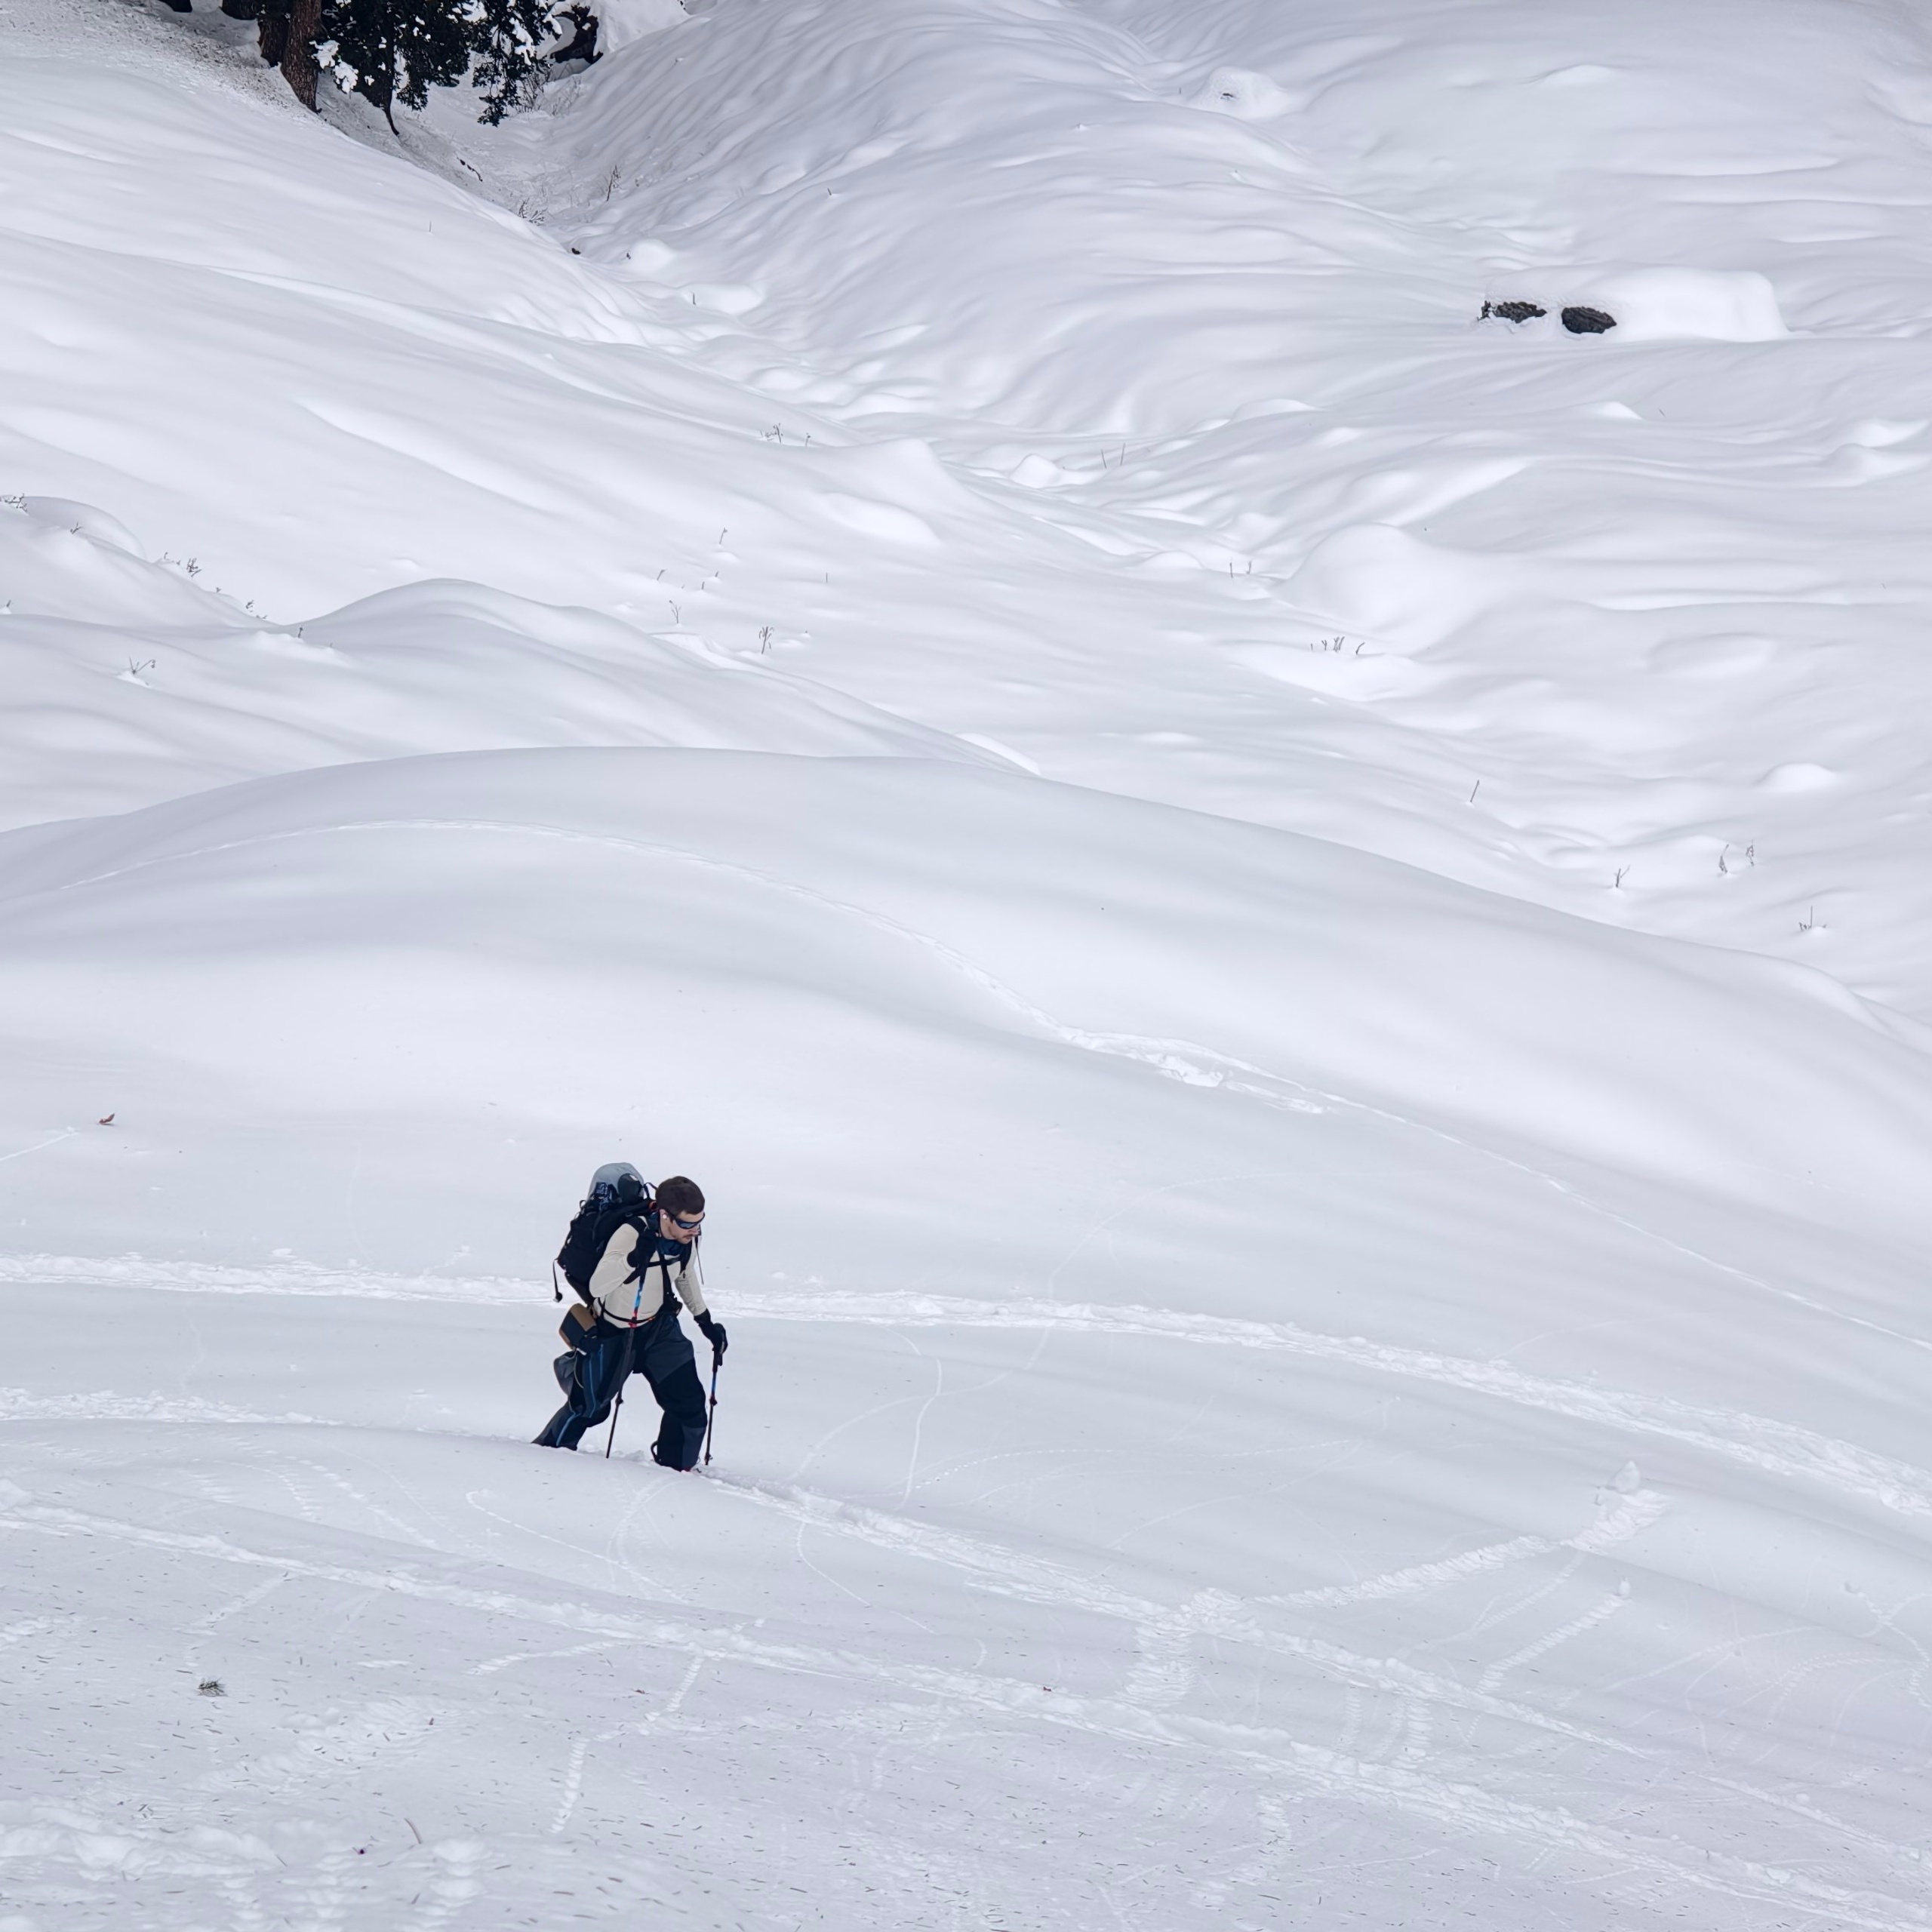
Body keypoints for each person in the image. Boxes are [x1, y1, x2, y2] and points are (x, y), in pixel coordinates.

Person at [534, 1166, 728, 1467]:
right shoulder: (631, 1234)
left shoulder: (686, 1240)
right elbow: (599, 1285)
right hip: (614, 1332)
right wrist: (634, 1259)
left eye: (699, 1223)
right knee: (590, 1409)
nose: (695, 1231)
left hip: (659, 1330)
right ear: (665, 1215)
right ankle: (541, 1459)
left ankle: (677, 1473)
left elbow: (685, 1276)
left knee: (689, 1406)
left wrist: (705, 1322)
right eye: (687, 1224)